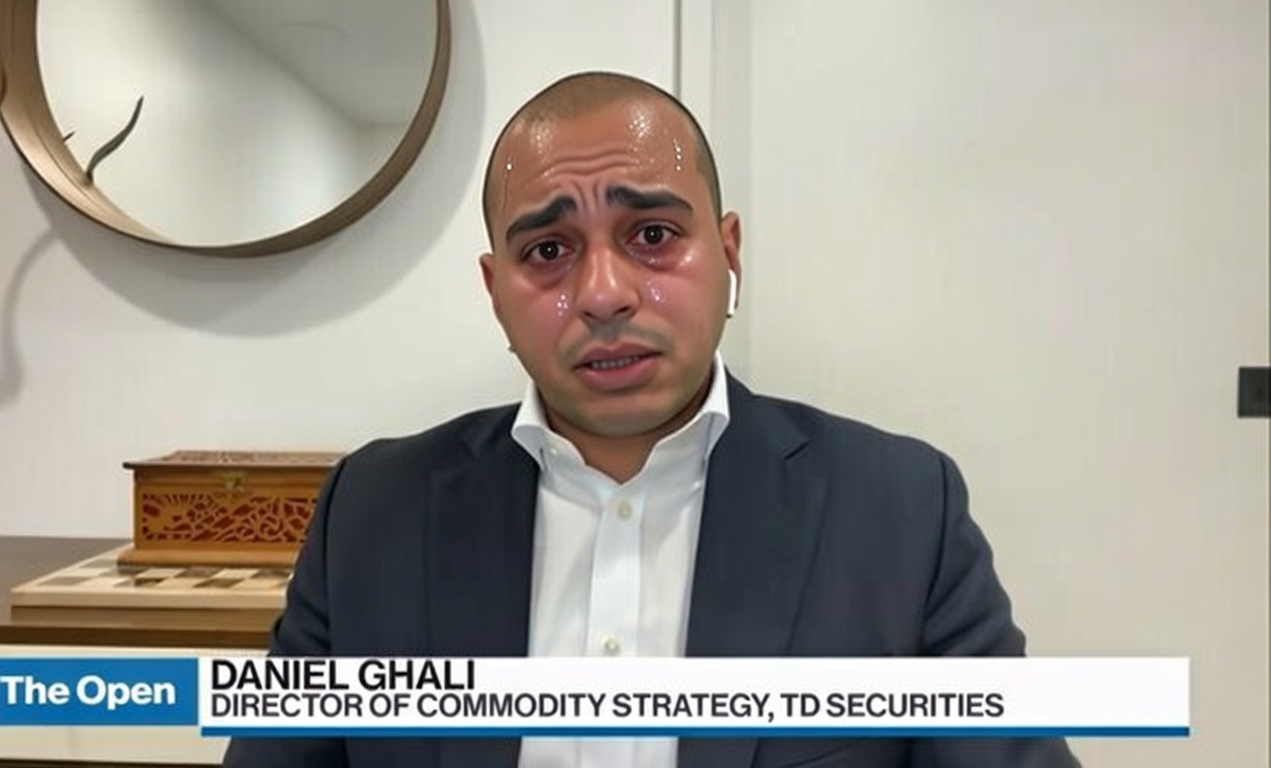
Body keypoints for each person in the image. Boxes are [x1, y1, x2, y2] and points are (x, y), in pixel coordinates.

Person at [223, 71, 1081, 768]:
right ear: (495, 291)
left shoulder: (901, 510)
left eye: (654, 235)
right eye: (548, 251)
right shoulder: (371, 513)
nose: (604, 294)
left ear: (729, 254)